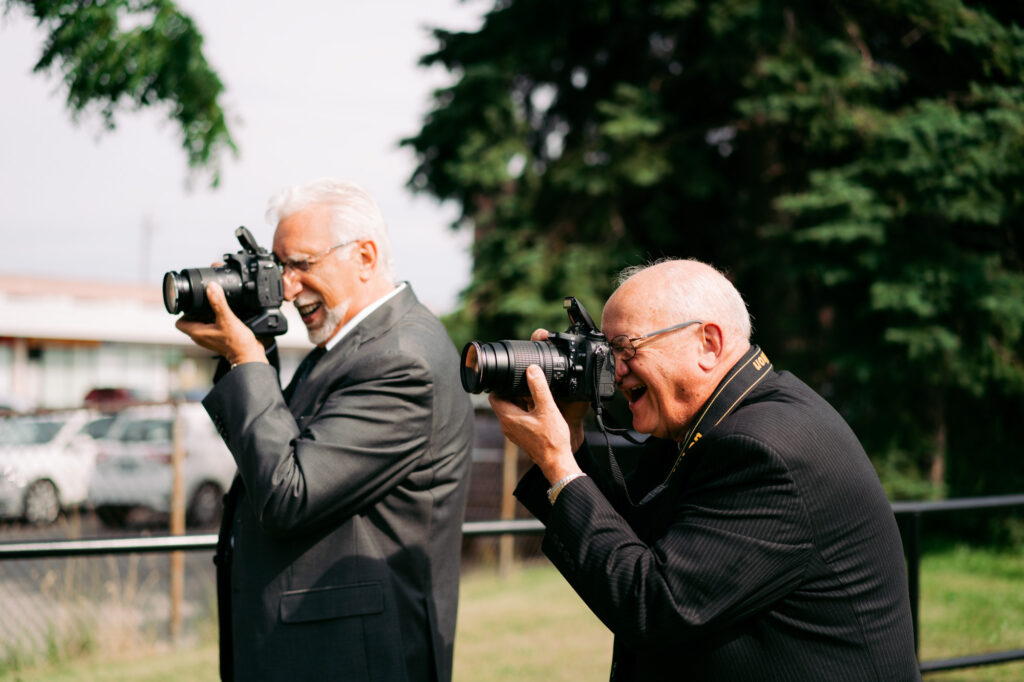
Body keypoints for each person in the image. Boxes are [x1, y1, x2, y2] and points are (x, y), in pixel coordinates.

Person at [490, 259, 921, 681]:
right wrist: (572, 440)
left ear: (708, 344)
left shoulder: (764, 449)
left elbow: (652, 604)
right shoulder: (715, 422)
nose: (615, 372)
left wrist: (558, 464)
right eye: (607, 350)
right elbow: (636, 541)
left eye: (627, 349)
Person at [175, 178, 474, 682]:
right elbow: (277, 451)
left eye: (302, 265)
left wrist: (245, 357)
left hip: (356, 660)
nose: (287, 289)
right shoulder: (348, 347)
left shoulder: (402, 360)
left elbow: (289, 493)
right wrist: (254, 351)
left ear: (365, 256)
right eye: (277, 267)